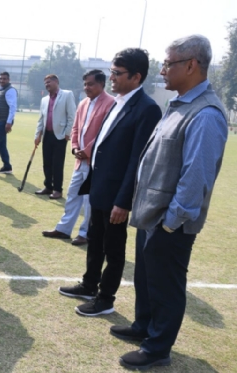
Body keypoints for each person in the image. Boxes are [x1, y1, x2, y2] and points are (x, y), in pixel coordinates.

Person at [111, 35, 228, 371]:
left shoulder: (205, 113)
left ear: (191, 65)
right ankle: (143, 326)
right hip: (153, 215)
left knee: (166, 284)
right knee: (148, 279)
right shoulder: (180, 103)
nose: (162, 70)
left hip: (170, 221)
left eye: (168, 63)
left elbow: (196, 177)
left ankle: (158, 347)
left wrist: (170, 222)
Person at [59, 48, 162, 317]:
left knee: (113, 248)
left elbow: (138, 160)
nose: (112, 78)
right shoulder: (117, 101)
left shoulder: (147, 109)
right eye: (111, 72)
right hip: (99, 186)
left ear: (136, 76)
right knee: (95, 240)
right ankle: (89, 285)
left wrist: (123, 200)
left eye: (117, 73)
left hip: (117, 193)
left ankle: (105, 299)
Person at [42, 70, 114, 245]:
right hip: (79, 159)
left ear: (102, 84)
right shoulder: (83, 103)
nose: (86, 87)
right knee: (73, 194)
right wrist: (75, 147)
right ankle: (64, 229)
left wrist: (88, 150)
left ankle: (86, 232)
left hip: (96, 162)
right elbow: (75, 128)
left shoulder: (111, 103)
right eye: (85, 84)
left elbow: (106, 134)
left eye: (90, 84)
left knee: (89, 200)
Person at [34, 74, 77, 199]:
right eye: (45, 83)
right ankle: (48, 187)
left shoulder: (67, 95)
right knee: (46, 163)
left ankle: (58, 189)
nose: (47, 84)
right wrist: (38, 135)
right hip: (47, 135)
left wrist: (67, 134)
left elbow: (72, 116)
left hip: (60, 136)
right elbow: (41, 120)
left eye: (49, 82)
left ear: (56, 82)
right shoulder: (44, 100)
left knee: (57, 164)